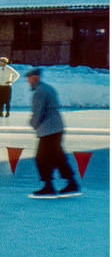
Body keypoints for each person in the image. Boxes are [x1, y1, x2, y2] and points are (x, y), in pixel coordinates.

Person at [26, 67, 79, 197]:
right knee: (57, 157)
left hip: (48, 130)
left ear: (35, 78)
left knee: (41, 158)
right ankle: (71, 183)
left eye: (29, 79)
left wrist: (33, 123)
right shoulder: (49, 88)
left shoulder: (39, 92)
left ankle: (48, 185)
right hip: (57, 127)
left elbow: (39, 112)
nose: (29, 82)